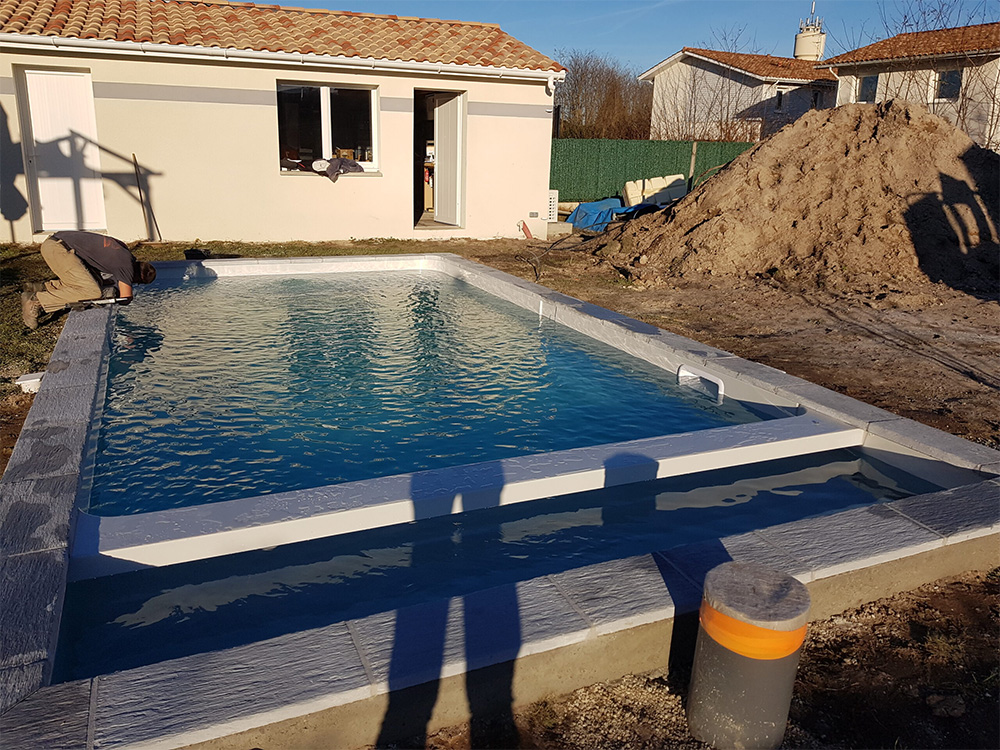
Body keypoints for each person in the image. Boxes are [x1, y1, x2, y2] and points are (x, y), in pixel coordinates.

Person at [21, 231, 156, 329]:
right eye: (136, 282)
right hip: (59, 249)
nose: (132, 283)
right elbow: (125, 298)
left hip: (57, 242)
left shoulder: (125, 253)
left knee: (92, 282)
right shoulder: (126, 266)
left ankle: (41, 288)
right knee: (92, 292)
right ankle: (36, 303)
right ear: (139, 277)